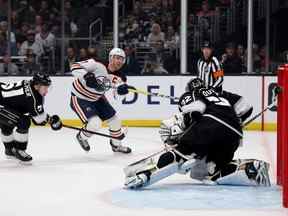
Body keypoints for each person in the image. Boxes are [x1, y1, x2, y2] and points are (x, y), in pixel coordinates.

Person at [124, 80, 270, 189]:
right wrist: (231, 123)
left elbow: (194, 112)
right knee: (211, 171)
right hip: (235, 135)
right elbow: (246, 108)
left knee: (181, 153)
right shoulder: (221, 93)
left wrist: (183, 140)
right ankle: (250, 168)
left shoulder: (192, 94)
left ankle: (144, 174)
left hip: (209, 125)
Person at [70, 48, 131, 154]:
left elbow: (117, 94)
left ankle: (116, 146)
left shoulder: (121, 77)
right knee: (95, 123)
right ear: (111, 58)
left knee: (115, 121)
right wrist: (86, 76)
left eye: (122, 59)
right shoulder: (97, 63)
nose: (119, 61)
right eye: (117, 58)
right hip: (80, 97)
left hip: (97, 98)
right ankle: (82, 137)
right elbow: (74, 66)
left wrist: (122, 91)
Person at [0, 73, 62, 162]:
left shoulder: (30, 84)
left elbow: (30, 110)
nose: (47, 91)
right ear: (37, 86)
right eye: (45, 87)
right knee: (24, 122)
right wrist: (52, 121)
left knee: (8, 123)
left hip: (3, 102)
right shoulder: (34, 97)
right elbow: (39, 120)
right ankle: (20, 150)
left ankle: (9, 150)